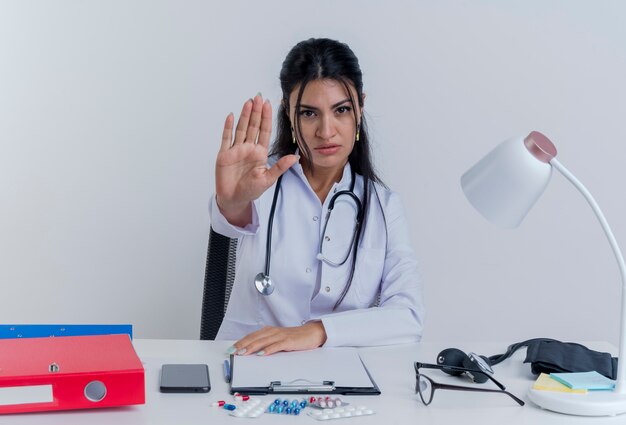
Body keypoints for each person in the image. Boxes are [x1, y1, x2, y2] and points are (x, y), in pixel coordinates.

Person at [210, 38, 424, 356]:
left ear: (360, 109)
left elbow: (408, 317)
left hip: (339, 379)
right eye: (309, 113)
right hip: (248, 366)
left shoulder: (384, 206)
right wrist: (231, 201)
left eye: (341, 110)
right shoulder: (260, 181)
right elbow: (234, 218)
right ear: (289, 114)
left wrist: (319, 331)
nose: (326, 131)